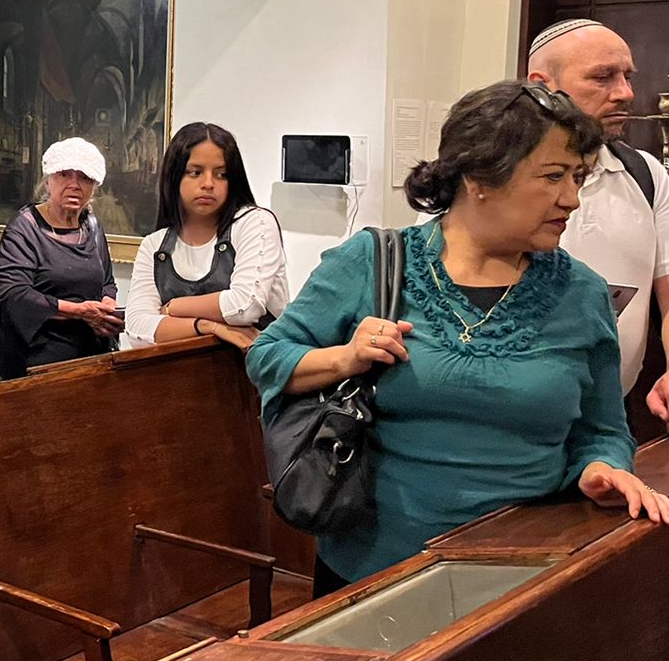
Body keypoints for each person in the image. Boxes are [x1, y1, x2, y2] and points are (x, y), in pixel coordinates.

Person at [249, 81, 667, 595]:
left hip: (525, 571)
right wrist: (346, 358)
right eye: (553, 176)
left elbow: (603, 429)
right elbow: (266, 357)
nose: (572, 199)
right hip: (375, 571)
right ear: (479, 177)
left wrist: (601, 468)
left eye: (577, 176)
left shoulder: (582, 292)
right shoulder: (373, 263)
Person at [526, 20, 669, 413]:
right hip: (505, 423)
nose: (625, 93)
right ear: (542, 85)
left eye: (627, 77)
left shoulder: (646, 174)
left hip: (611, 415)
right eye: (603, 77)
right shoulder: (493, 176)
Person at [122, 123, 288, 353]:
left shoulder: (254, 223)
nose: (208, 184)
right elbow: (137, 330)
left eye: (221, 175)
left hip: (255, 368)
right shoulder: (154, 245)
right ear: (174, 176)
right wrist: (207, 327)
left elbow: (244, 306)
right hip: (182, 371)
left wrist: (173, 308)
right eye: (195, 172)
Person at [0, 137, 120, 380]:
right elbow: (13, 294)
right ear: (48, 180)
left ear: (95, 186)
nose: (74, 185)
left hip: (90, 355)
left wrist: (107, 307)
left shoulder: (92, 226)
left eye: (84, 177)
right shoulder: (24, 228)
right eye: (64, 175)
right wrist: (79, 311)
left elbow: (106, 281)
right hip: (35, 359)